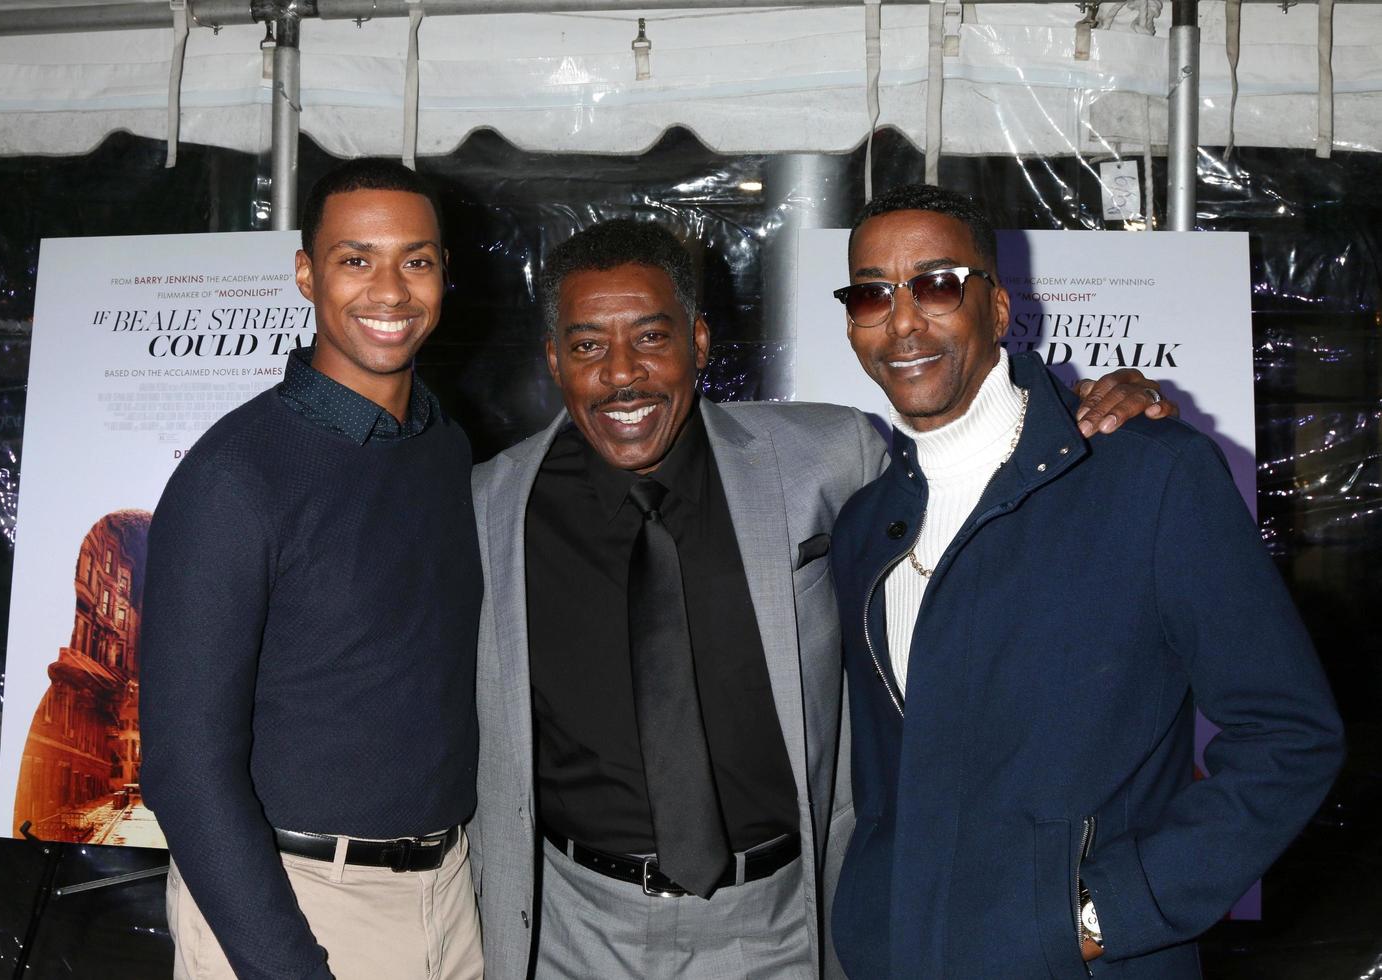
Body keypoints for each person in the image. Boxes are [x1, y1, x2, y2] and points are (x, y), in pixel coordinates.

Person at [468, 218, 1172, 980]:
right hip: (574, 929)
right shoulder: (490, 505)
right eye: (586, 346)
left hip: (779, 926)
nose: (621, 374)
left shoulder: (828, 458)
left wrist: (1090, 412)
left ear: (699, 343)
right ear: (553, 359)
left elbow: (978, 466)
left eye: (650, 338)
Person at [826, 184, 1344, 978]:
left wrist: (1102, 914)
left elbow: (1290, 736)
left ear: (996, 308)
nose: (902, 321)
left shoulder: (1149, 475)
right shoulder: (867, 524)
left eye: (935, 284)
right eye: (872, 293)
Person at [140, 159, 483, 980]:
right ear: (305, 274)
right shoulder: (235, 477)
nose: (390, 291)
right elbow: (185, 770)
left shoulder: (446, 445)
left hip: (452, 895)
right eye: (355, 259)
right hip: (293, 901)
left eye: (417, 260)